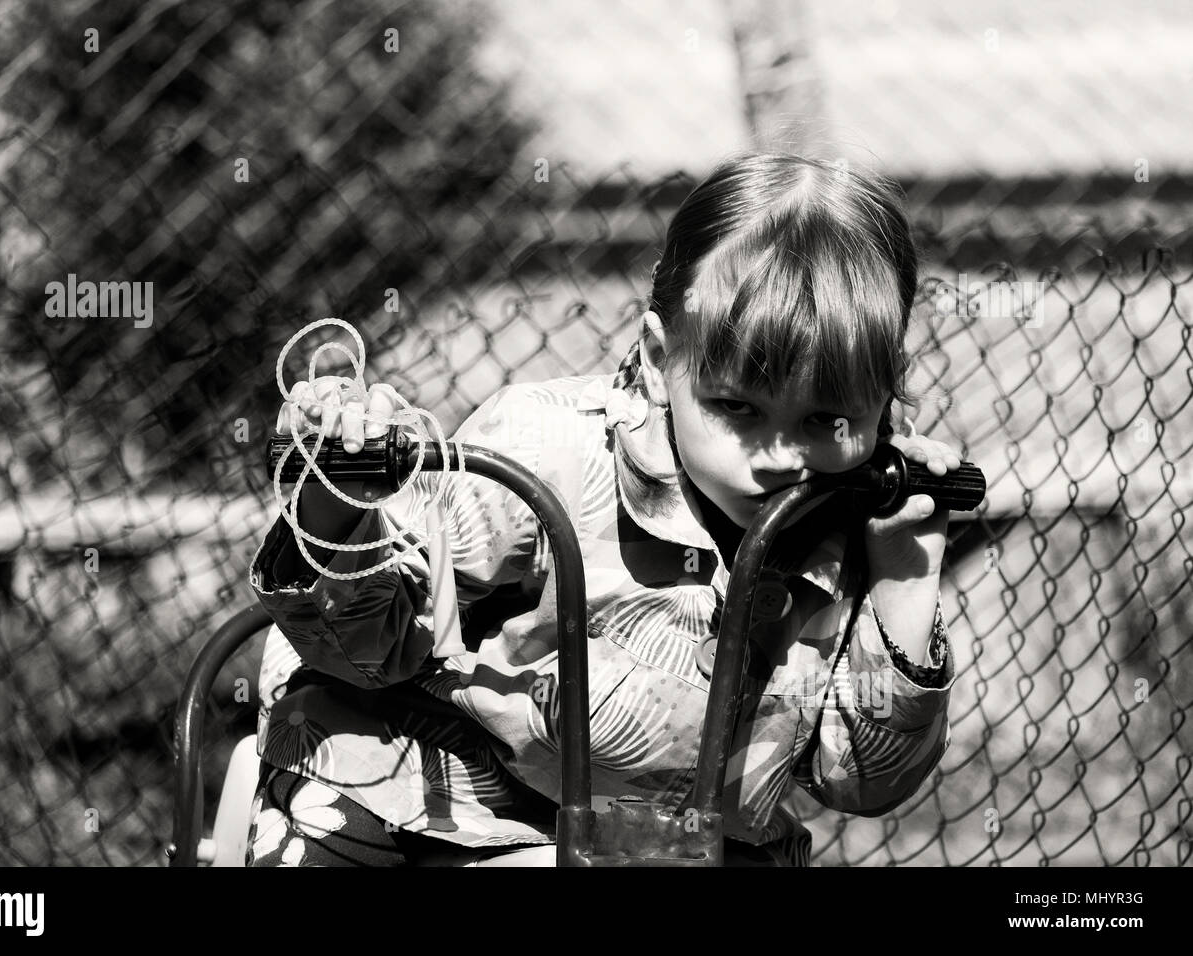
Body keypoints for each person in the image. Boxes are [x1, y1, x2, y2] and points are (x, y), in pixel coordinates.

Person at [245, 151, 960, 866]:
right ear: (657, 357)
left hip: (666, 839)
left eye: (824, 419)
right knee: (332, 801)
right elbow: (371, 652)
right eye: (736, 407)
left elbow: (862, 780)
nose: (774, 456)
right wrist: (336, 505)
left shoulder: (861, 510)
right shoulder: (546, 448)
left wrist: (904, 573)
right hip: (433, 793)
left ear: (885, 393)